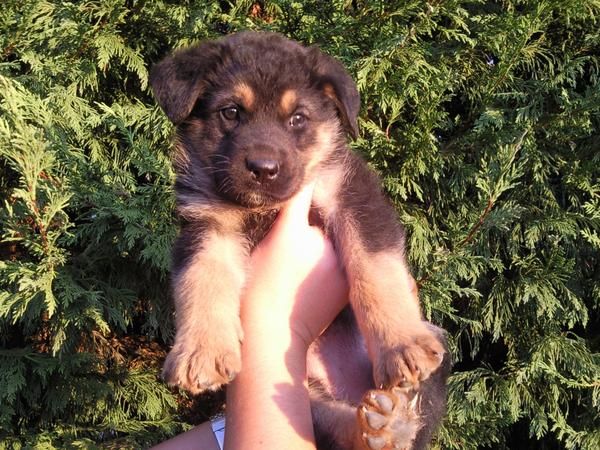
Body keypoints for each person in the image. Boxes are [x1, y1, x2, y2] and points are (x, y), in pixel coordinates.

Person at [152, 183, 349, 450]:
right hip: (296, 405)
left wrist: (270, 320)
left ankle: (351, 428)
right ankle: (349, 428)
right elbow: (211, 236)